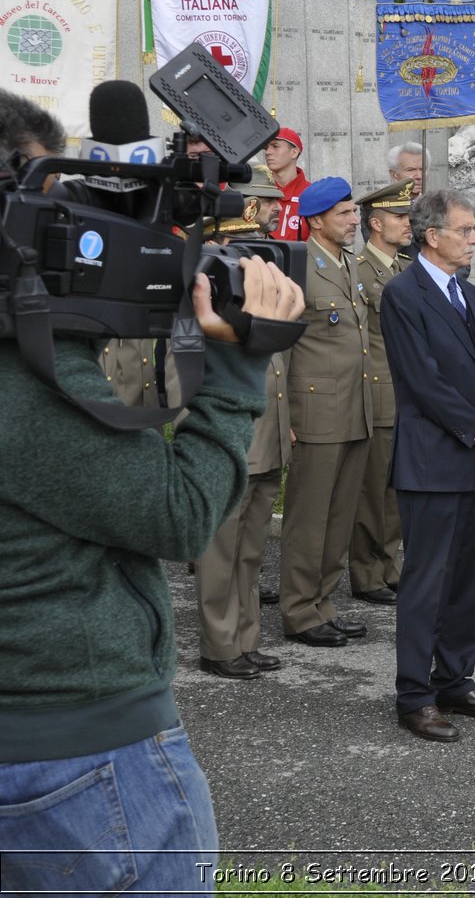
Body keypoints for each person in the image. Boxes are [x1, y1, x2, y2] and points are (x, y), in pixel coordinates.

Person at [0, 93, 306, 891]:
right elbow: (176, 513)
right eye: (46, 198)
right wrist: (240, 365)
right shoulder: (20, 383)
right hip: (72, 752)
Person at [381, 189, 475, 742]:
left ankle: (455, 679)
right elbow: (422, 380)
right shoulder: (402, 294)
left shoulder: (471, 295)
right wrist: (474, 427)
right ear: (432, 235)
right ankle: (415, 695)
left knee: (467, 580)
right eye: (465, 230)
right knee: (427, 583)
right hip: (434, 462)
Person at [193, 192, 294, 679]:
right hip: (229, 444)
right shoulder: (198, 307)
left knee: (251, 549)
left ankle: (246, 637)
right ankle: (218, 644)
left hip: (267, 437)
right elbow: (185, 381)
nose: (247, 257)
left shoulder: (257, 303)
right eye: (237, 246)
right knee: (220, 552)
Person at [279, 177, 374, 648]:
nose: (355, 221)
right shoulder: (301, 266)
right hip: (315, 412)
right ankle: (298, 611)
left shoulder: (350, 265)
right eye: (345, 214)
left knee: (339, 517)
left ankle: (323, 604)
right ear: (316, 220)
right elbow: (284, 347)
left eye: (355, 212)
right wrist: (288, 416)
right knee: (310, 517)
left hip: (355, 408)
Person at [350, 179, 415, 606]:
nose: (408, 223)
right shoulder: (358, 271)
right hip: (375, 394)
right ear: (376, 223)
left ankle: (391, 565)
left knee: (396, 489)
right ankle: (366, 571)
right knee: (371, 490)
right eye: (399, 216)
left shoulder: (405, 268)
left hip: (406, 395)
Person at [266, 127, 311, 242]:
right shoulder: (258, 192)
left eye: (275, 146)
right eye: (266, 148)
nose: (268, 152)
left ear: (294, 152)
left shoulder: (312, 194)